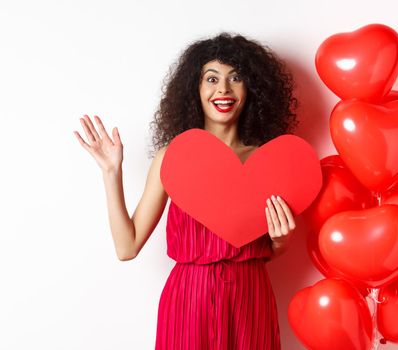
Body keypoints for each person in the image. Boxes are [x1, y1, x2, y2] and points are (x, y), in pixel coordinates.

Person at [73, 32, 300, 349]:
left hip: (251, 296)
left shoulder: (268, 160)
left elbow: (270, 249)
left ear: (252, 89)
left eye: (235, 77)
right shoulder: (173, 158)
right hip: (189, 300)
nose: (223, 88)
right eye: (212, 78)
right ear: (195, 88)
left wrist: (281, 241)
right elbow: (127, 247)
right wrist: (112, 173)